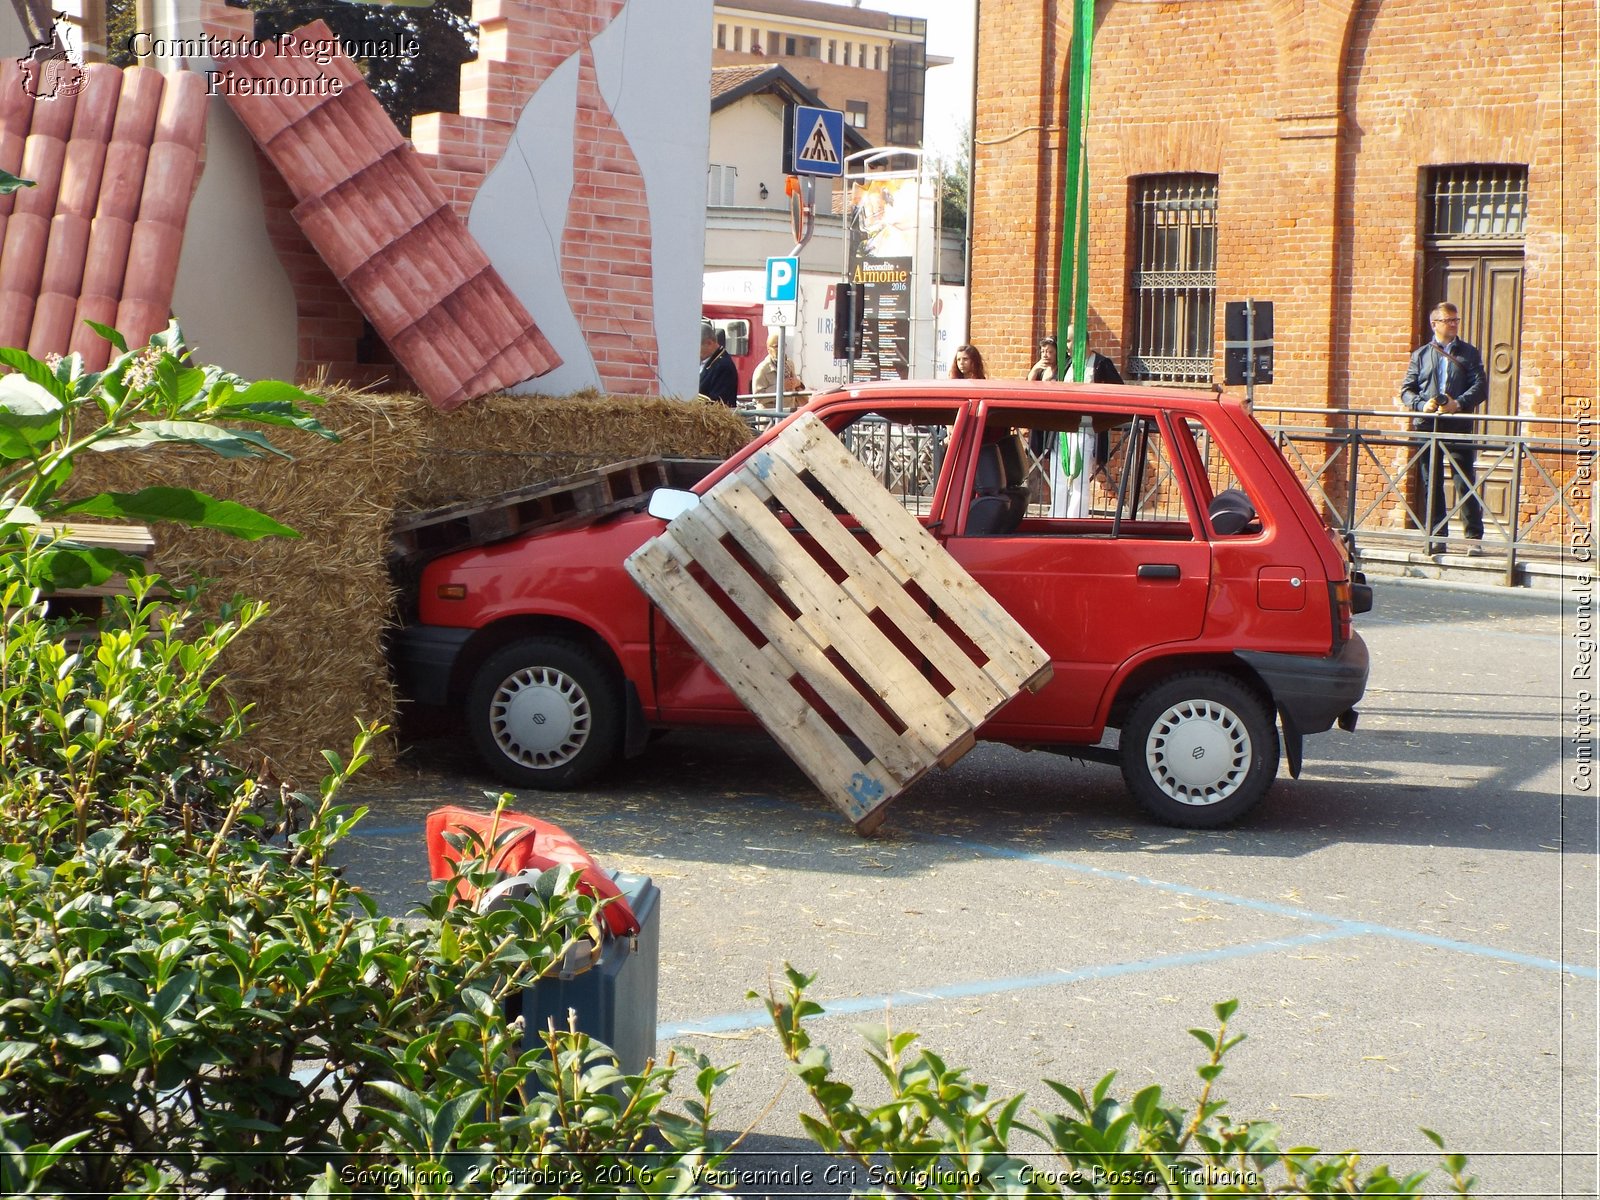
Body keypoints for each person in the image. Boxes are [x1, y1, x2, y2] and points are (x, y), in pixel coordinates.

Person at [1399, 301, 1485, 556]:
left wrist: (1458, 403)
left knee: (1464, 479)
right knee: (1431, 480)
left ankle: (1473, 538)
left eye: (1456, 320)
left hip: (1457, 424)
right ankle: (1437, 537)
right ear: (1434, 323)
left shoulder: (1469, 353)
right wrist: (1421, 404)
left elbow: (1480, 386)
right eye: (1449, 320)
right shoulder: (1421, 355)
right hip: (1428, 424)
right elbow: (1407, 390)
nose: (1454, 324)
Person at [751, 332, 802, 404]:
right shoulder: (762, 369)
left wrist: (797, 383)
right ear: (768, 349)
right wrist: (782, 387)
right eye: (776, 346)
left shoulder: (789, 363)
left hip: (789, 412)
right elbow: (758, 398)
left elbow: (796, 386)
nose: (781, 349)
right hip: (770, 413)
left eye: (783, 345)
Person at [698, 321, 738, 406]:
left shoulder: (723, 366)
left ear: (709, 343)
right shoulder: (707, 361)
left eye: (697, 346)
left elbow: (718, 402)